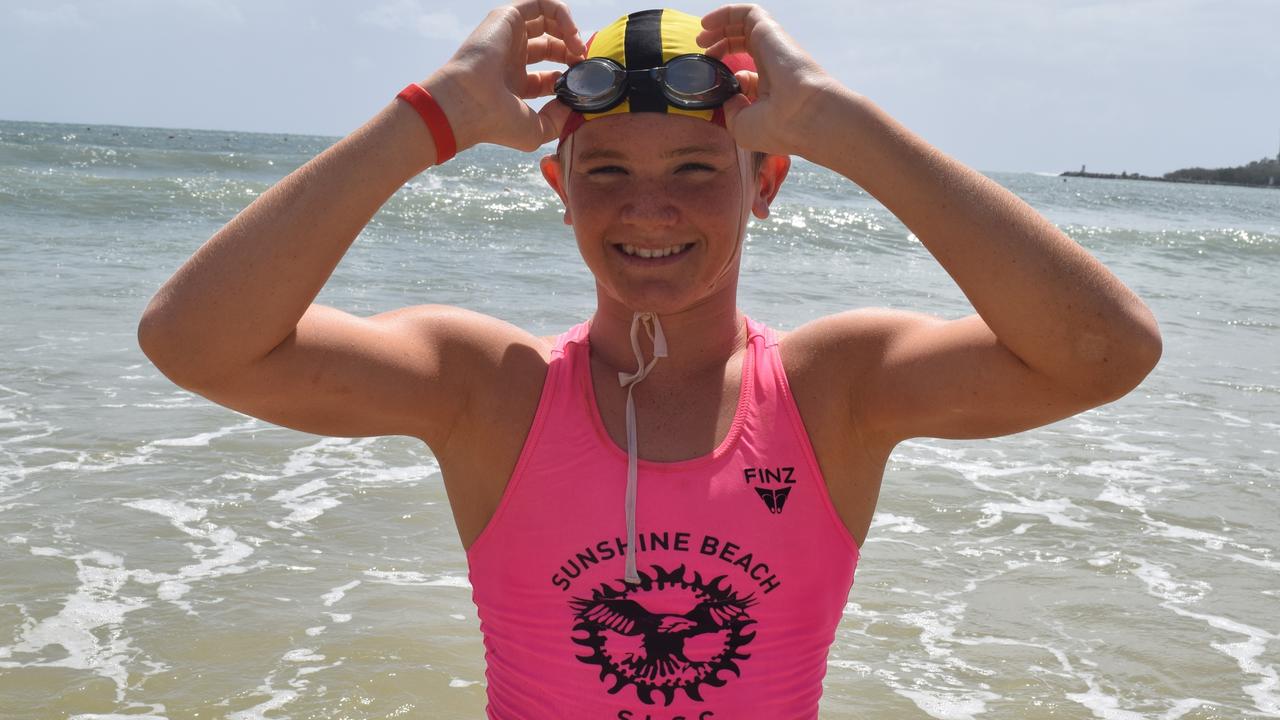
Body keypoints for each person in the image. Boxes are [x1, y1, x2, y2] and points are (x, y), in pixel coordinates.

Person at [137, 1, 1162, 717]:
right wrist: (433, 116)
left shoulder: (829, 391)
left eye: (695, 169)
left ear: (765, 183)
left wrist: (838, 122)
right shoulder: (489, 390)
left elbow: (1101, 352)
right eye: (609, 170)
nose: (648, 207)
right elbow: (192, 342)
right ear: (558, 186)